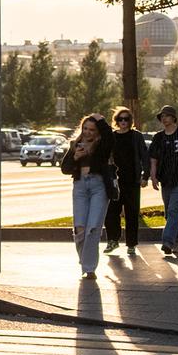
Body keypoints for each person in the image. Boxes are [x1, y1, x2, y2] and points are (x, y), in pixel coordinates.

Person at [60, 113, 116, 279]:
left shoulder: (103, 145)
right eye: (85, 128)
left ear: (97, 131)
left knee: (93, 228)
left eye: (92, 129)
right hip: (80, 187)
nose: (88, 132)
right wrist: (75, 157)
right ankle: (84, 260)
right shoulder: (75, 144)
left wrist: (101, 120)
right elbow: (65, 168)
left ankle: (89, 268)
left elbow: (110, 137)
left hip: (99, 187)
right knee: (80, 228)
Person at [148, 105, 178, 256]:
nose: (164, 119)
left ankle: (167, 242)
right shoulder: (158, 137)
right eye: (162, 116)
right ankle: (177, 242)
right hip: (165, 180)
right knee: (169, 214)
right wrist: (153, 176)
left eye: (167, 116)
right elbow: (153, 159)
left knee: (173, 209)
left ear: (174, 117)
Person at [103, 107, 149, 254]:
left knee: (132, 213)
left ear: (130, 121)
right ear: (116, 121)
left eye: (126, 119)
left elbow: (144, 157)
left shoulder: (136, 136)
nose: (123, 122)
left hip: (132, 180)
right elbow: (105, 156)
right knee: (111, 212)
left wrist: (145, 176)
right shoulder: (112, 136)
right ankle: (113, 240)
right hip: (115, 181)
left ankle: (131, 244)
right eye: (120, 119)